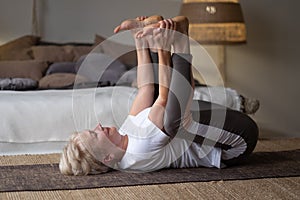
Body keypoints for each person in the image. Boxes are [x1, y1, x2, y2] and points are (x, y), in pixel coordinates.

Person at [59, 15, 259, 175]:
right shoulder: (140, 149)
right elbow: (164, 96)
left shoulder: (125, 137)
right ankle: (181, 41)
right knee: (174, 121)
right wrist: (163, 49)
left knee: (158, 104)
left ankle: (158, 34)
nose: (98, 126)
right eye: (95, 134)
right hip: (235, 145)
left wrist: (139, 39)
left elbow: (146, 89)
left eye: (92, 128)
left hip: (219, 129)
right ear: (107, 158)